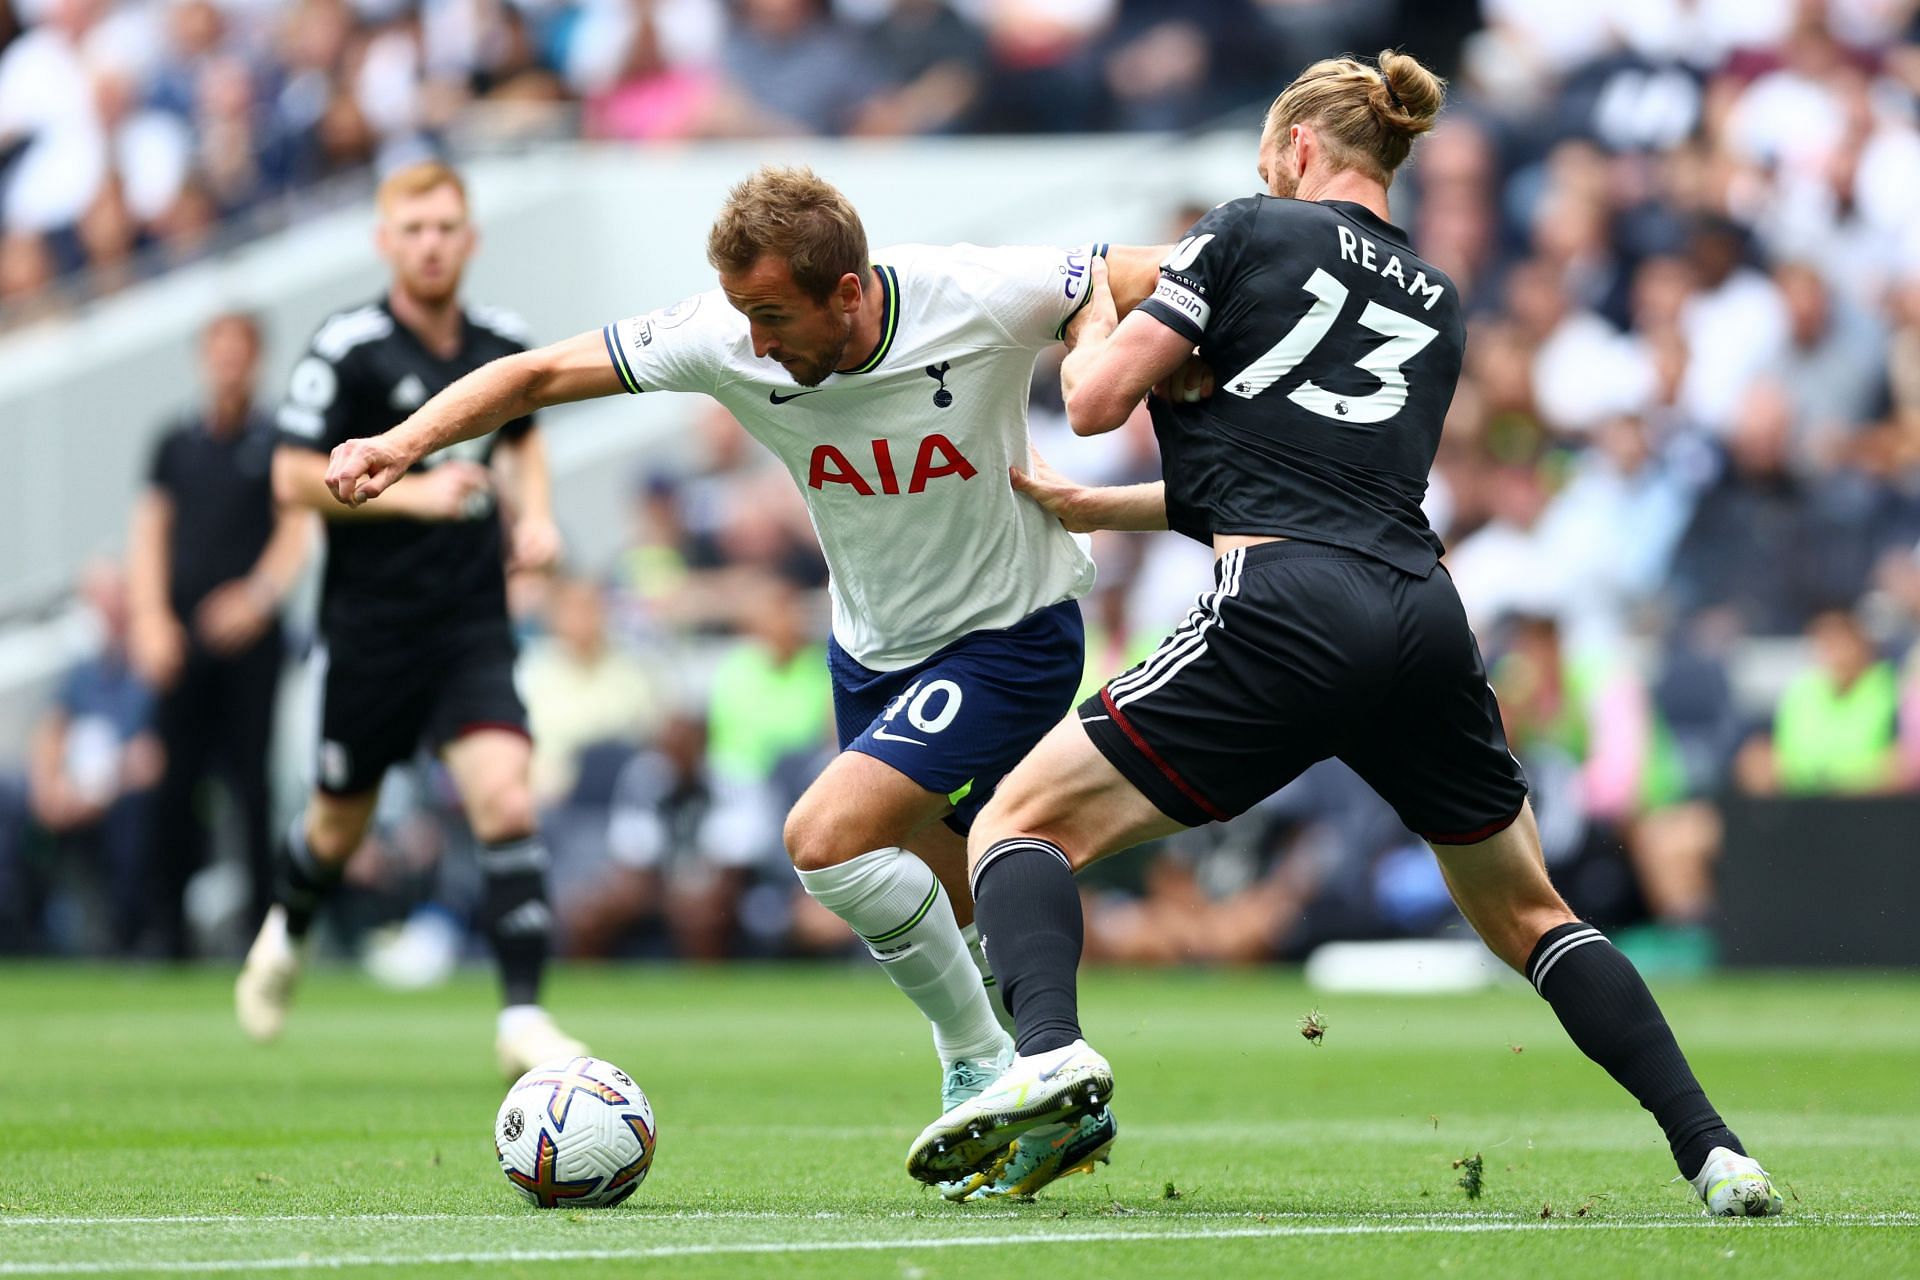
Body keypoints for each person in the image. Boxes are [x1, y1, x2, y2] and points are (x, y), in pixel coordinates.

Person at [906, 52, 1784, 1219]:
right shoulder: (1439, 296)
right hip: (1420, 611)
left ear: (1299, 151)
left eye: (1269, 158)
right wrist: (1107, 507)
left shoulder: (1246, 227)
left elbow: (1094, 401)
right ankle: (1717, 1152)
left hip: (1281, 607)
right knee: (1531, 912)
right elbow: (1315, 473)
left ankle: (1050, 1052)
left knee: (1017, 820)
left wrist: (1090, 307)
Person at [322, 164, 1168, 1200]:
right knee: (947, 900)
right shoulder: (727, 334)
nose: (755, 343)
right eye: (742, 316)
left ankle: (988, 1066)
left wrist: (1099, 346)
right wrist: (401, 443)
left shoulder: (971, 291)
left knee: (823, 840)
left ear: (849, 291)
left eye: (773, 315)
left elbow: (1135, 273)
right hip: (871, 654)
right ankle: (1047, 1088)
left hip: (1011, 633)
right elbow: (536, 375)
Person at [234, 160, 586, 1078]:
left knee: (506, 796)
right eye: (414, 228)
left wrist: (538, 516)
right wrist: (418, 497)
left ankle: (522, 1017)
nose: (431, 243)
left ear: (468, 239)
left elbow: (524, 439)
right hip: (371, 634)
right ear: (386, 241)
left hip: (469, 625)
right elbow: (289, 477)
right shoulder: (348, 346)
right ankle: (290, 924)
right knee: (334, 828)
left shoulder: (501, 340)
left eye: (446, 227)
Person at [127, 312, 313, 958]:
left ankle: (264, 937)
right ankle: (163, 933)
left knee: (253, 786)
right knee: (174, 783)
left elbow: (298, 527)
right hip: (180, 637)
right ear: (204, 359)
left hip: (252, 642)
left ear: (257, 360)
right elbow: (150, 532)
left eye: (241, 353)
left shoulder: (280, 437)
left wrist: (257, 597)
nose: (229, 364)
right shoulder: (174, 442)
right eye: (219, 352)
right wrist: (150, 618)